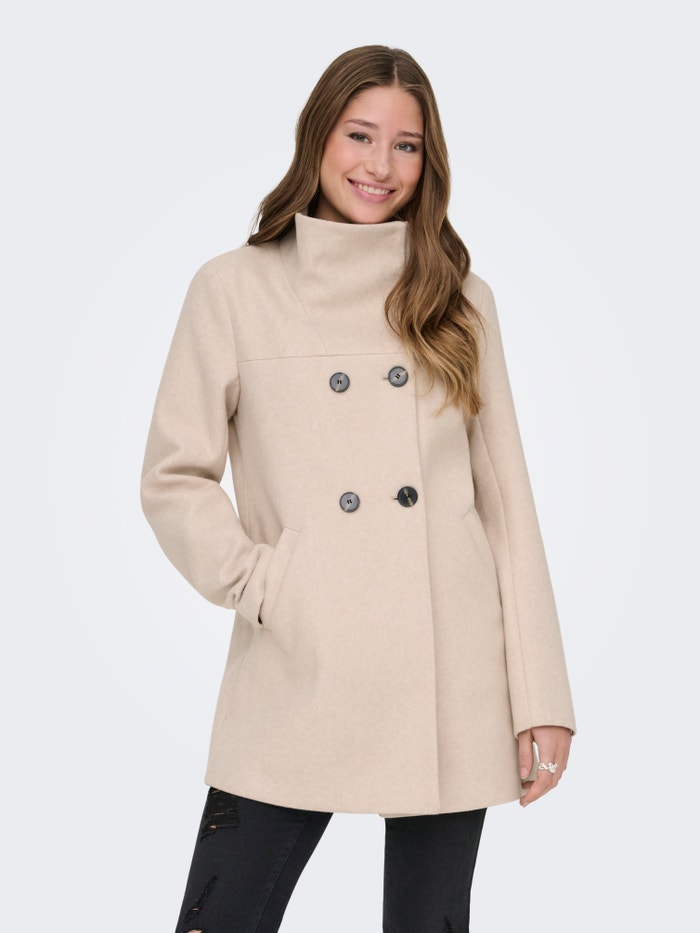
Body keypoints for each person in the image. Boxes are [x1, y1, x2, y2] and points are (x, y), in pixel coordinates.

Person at [140, 44, 576, 933]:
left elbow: (506, 506)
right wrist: (269, 583)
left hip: (448, 668)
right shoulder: (234, 289)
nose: (381, 165)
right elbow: (173, 476)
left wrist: (542, 697)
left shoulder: (460, 297)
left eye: (406, 145)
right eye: (360, 135)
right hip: (298, 660)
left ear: (428, 161)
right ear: (318, 138)